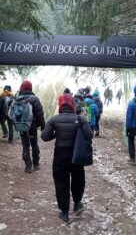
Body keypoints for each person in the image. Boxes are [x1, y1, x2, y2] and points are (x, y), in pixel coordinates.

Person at [41, 94, 93, 223]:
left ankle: (64, 212)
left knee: (61, 181)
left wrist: (56, 134)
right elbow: (89, 136)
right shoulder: (80, 119)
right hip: (76, 154)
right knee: (78, 179)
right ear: (73, 104)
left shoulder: (54, 119)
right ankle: (77, 203)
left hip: (60, 154)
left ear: (60, 105)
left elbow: (44, 136)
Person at [17, 80, 45, 173]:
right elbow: (40, 113)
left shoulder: (18, 98)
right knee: (34, 144)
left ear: (22, 87)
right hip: (32, 127)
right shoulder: (34, 98)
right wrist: (43, 126)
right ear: (30, 88)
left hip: (21, 125)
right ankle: (36, 164)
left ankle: (28, 166)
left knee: (25, 145)